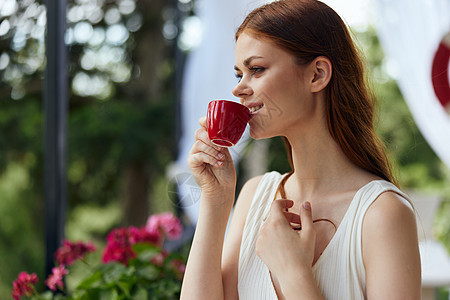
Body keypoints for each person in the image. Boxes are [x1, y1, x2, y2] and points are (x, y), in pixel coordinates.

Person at [180, 0, 422, 299]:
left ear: (317, 74)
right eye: (238, 74)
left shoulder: (383, 214)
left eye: (256, 69)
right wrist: (215, 201)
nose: (239, 88)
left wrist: (294, 274)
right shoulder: (254, 195)